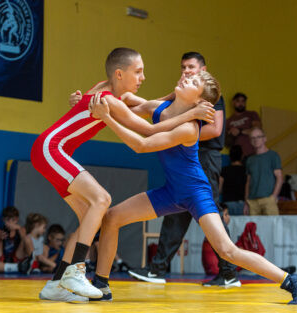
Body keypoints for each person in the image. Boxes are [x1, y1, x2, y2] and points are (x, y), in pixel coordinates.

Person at [85, 71, 297, 305]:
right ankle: (101, 285)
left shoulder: (191, 128)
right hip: (171, 191)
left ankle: (294, 282)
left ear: (200, 102)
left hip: (195, 192)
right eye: (189, 77)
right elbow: (129, 109)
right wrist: (86, 102)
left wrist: (107, 118)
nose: (186, 78)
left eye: (194, 82)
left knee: (227, 251)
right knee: (112, 217)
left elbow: (142, 145)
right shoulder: (162, 106)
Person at [33, 47, 215, 302]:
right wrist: (191, 114)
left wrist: (179, 99)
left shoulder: (105, 91)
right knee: (102, 199)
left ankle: (56, 284)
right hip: (51, 149)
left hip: (49, 150)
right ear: (120, 74)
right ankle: (76, 272)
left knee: (89, 216)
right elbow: (149, 130)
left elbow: (154, 107)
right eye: (138, 72)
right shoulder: (109, 101)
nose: (143, 78)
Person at [109, 51, 238, 287]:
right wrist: (122, 103)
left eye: (191, 67)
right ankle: (158, 268)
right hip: (185, 156)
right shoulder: (182, 95)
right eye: (183, 67)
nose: (186, 71)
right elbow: (157, 109)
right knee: (177, 214)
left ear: (204, 70)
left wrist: (179, 130)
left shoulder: (207, 93)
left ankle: (228, 270)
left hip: (203, 157)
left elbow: (216, 129)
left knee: (210, 213)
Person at [243, 128, 283, 216]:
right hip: (252, 201)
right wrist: (246, 201)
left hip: (268, 199)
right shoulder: (250, 159)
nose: (255, 140)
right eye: (253, 138)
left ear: (264, 139)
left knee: (271, 228)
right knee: (254, 229)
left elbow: (279, 178)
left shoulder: (273, 156)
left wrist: (274, 196)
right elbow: (248, 182)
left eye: (258, 137)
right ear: (250, 141)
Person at [225, 93, 261, 158]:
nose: (241, 104)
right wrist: (231, 135)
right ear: (233, 102)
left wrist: (239, 131)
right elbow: (227, 144)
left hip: (254, 153)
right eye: (238, 101)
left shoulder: (252, 114)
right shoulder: (228, 121)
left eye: (243, 101)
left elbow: (257, 130)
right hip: (237, 158)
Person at [220, 145, 246, 216]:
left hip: (227, 203)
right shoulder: (246, 170)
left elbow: (219, 189)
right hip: (243, 204)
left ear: (230, 156)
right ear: (242, 156)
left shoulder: (224, 170)